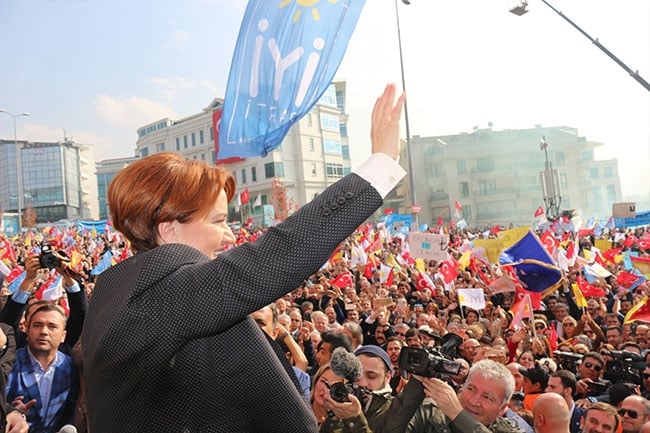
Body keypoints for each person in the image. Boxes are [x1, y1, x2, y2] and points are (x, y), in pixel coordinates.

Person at [81, 84, 407, 433]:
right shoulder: (157, 293)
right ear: (170, 229)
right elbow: (276, 254)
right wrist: (380, 167)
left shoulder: (130, 293)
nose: (232, 235)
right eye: (218, 221)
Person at [378, 359, 525, 433]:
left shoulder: (510, 430)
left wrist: (458, 415)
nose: (474, 401)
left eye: (487, 397)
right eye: (471, 389)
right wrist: (416, 386)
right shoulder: (430, 413)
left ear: (503, 408)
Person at [6, 303, 78, 432]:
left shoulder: (72, 368)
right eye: (38, 325)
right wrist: (10, 411)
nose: (44, 332)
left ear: (63, 336)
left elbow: (73, 411)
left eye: (52, 326)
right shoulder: (10, 364)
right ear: (27, 330)